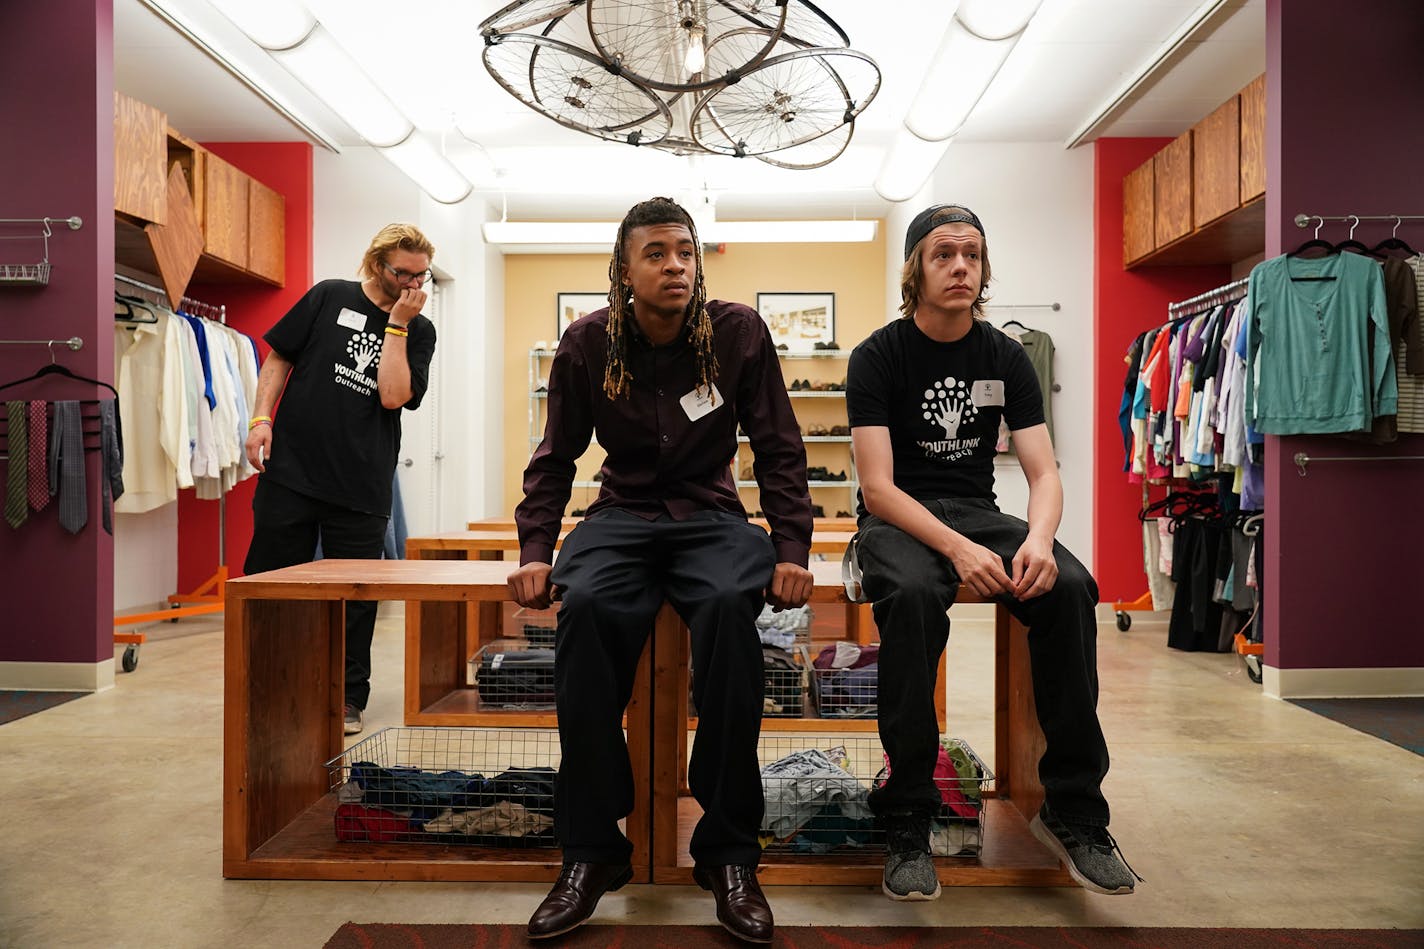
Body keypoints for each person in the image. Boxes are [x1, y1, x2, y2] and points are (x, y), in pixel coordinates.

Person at [510, 196, 814, 944]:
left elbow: (778, 444)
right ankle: (592, 851)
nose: (675, 264)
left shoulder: (737, 331)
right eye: (656, 253)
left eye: (685, 250)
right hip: (621, 517)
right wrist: (534, 550)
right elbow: (555, 458)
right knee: (583, 616)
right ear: (624, 269)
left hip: (712, 517)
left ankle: (727, 854)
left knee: (729, 617)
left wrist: (791, 548)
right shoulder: (587, 343)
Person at [845, 204, 1139, 899]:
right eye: (944, 253)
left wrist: (1037, 538)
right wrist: (957, 550)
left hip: (980, 510)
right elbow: (879, 488)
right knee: (915, 595)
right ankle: (910, 813)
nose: (960, 267)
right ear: (915, 266)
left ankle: (1073, 808)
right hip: (898, 521)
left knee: (1070, 585)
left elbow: (1043, 472)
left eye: (972, 255)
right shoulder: (877, 355)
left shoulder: (1004, 355)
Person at [242, 223, 436, 737]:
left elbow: (393, 396)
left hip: (362, 485)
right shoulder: (330, 296)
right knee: (269, 583)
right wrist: (261, 419)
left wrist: (397, 324)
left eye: (423, 275)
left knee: (356, 599)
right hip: (293, 472)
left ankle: (348, 698)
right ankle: (263, 682)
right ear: (378, 265)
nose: (414, 284)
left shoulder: (420, 329)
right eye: (404, 273)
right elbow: (280, 356)